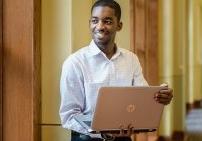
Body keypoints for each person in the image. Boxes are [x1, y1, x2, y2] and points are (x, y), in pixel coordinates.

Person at [59, 0, 173, 141]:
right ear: (90, 23)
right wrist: (104, 132)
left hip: (123, 138)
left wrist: (160, 97)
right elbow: (69, 116)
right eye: (95, 21)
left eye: (107, 21)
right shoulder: (75, 63)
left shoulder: (131, 59)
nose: (100, 26)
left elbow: (142, 99)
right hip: (87, 138)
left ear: (119, 26)